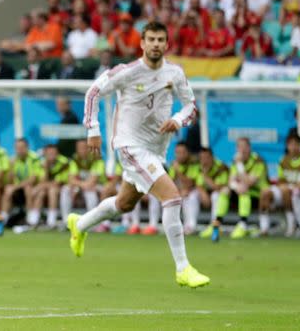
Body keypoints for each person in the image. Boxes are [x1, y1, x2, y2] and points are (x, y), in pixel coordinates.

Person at [68, 21, 209, 288]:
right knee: (172, 196)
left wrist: (178, 120)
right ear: (142, 44)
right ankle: (183, 268)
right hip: (130, 145)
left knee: (124, 204)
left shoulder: (175, 73)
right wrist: (93, 129)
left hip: (156, 149)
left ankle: (80, 224)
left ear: (166, 44)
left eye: (160, 40)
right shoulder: (127, 72)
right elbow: (93, 92)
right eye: (151, 40)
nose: (156, 44)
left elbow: (190, 105)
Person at [210, 137, 268, 240]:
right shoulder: (235, 161)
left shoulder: (258, 161)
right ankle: (217, 225)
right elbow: (231, 181)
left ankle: (243, 225)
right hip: (241, 191)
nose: (242, 150)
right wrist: (236, 186)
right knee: (225, 191)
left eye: (244, 147)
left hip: (258, 195)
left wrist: (240, 165)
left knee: (244, 191)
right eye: (239, 147)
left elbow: (249, 182)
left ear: (249, 148)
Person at [259, 134, 300, 237]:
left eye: (295, 144)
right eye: (290, 145)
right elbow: (280, 180)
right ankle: (264, 229)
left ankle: (291, 226)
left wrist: (293, 187)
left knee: (287, 191)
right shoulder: (283, 160)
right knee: (265, 192)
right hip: (286, 188)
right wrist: (284, 186)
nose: (292, 147)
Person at [0, 138, 40, 232]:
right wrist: (11, 168)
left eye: (22, 147)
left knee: (28, 188)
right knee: (7, 189)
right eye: (17, 148)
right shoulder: (13, 160)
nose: (19, 150)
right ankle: (3, 219)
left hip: (33, 189)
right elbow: (9, 181)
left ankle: (29, 220)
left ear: (27, 148)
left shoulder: (34, 158)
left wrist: (15, 187)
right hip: (17, 190)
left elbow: (32, 180)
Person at [33, 144, 71, 230]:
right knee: (41, 192)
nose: (51, 156)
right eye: (49, 154)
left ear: (57, 154)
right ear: (45, 154)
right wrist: (46, 168)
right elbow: (42, 180)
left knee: (52, 190)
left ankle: (51, 221)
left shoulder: (64, 163)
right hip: (45, 189)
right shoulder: (41, 163)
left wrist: (40, 186)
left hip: (63, 189)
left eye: (53, 153)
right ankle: (33, 221)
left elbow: (57, 183)